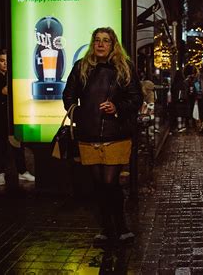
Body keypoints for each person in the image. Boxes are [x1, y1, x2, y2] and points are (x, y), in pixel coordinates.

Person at [62, 27, 143, 243]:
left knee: (110, 182)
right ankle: (107, 228)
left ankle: (121, 226)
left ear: (113, 44)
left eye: (105, 40)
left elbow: (136, 99)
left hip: (116, 134)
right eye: (97, 40)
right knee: (98, 184)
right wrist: (80, 113)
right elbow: (68, 95)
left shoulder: (124, 68)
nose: (100, 44)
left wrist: (117, 107)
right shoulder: (81, 67)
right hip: (88, 136)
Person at [0, 49, 35, 185]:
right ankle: (0, 174)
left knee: (17, 145)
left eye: (7, 61)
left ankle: (22, 172)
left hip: (13, 117)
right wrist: (1, 92)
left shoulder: (15, 76)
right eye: (2, 61)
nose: (5, 64)